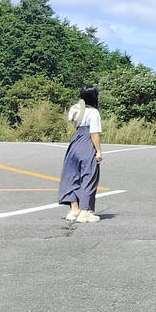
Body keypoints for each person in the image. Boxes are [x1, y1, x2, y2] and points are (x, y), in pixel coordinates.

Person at [58, 86, 103, 223]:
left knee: (72, 176)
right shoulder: (94, 113)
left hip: (75, 142)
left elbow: (73, 120)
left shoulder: (77, 110)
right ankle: (85, 212)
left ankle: (74, 209)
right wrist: (99, 151)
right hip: (86, 143)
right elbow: (94, 133)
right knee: (89, 176)